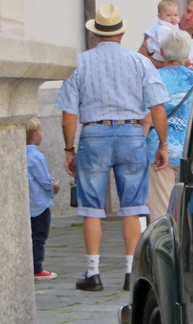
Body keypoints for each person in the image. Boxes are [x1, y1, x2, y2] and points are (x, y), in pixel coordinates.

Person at [57, 3, 169, 292]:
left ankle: (93, 274)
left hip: (94, 133)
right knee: (133, 206)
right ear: (121, 33)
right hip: (132, 133)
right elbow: (157, 108)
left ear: (95, 35)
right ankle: (132, 273)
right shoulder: (140, 63)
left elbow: (69, 114)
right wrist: (163, 144)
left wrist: (69, 149)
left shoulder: (79, 63)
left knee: (91, 208)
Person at [143, 29, 193, 223]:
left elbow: (147, 118)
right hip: (190, 151)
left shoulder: (153, 78)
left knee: (160, 212)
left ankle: (164, 248)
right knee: (187, 210)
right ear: (186, 54)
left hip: (158, 150)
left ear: (163, 52)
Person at [25, 117, 60, 280]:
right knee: (39, 237)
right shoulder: (36, 156)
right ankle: (37, 268)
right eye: (41, 132)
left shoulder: (19, 154)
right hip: (39, 205)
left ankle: (28, 265)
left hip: (27, 205)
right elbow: (44, 180)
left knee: (28, 237)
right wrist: (54, 187)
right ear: (34, 135)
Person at [141, 0, 193, 71]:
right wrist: (175, 66)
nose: (188, 17)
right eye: (188, 11)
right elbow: (141, 57)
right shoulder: (160, 29)